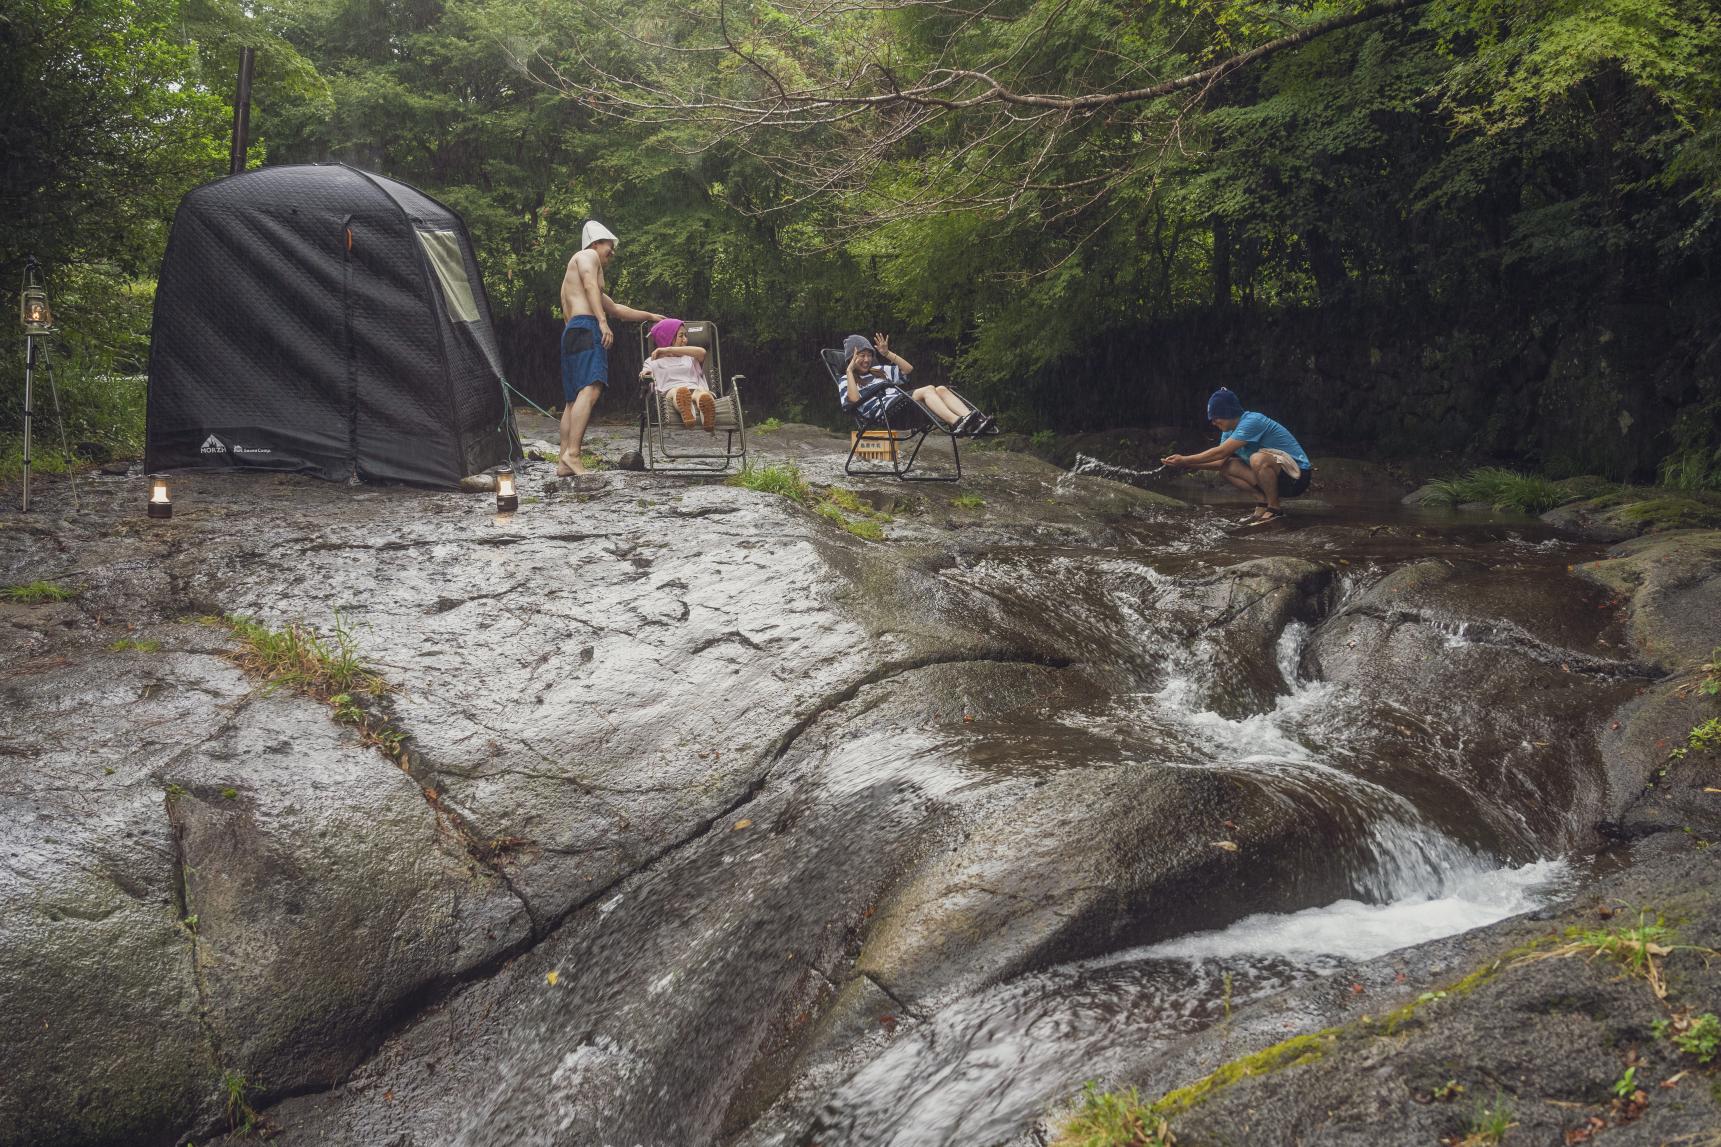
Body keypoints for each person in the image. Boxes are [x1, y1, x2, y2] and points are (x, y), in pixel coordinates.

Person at [557, 221, 665, 476]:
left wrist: (650, 316)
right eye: (609, 246)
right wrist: (602, 322)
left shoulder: (573, 280)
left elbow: (616, 308)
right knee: (591, 389)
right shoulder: (587, 256)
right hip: (587, 328)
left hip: (572, 332)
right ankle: (573, 454)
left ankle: (563, 461)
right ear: (596, 243)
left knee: (572, 400)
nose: (612, 252)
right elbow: (591, 285)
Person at [1161, 387, 1312, 521]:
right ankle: (1263, 501)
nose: (1213, 422)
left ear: (1228, 412)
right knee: (1227, 467)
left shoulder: (1252, 421)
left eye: (1215, 417)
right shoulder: (1228, 432)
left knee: (1257, 459)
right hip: (1274, 479)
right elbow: (1220, 461)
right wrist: (1185, 464)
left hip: (1297, 477)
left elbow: (1221, 452)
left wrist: (1185, 459)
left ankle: (1274, 508)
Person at [838, 333, 993, 435]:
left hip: (903, 406)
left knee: (941, 389)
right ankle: (956, 422)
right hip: (887, 415)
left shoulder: (878, 370)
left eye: (869, 355)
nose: (866, 360)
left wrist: (887, 353)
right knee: (928, 390)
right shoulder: (846, 379)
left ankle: (973, 421)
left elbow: (907, 369)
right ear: (851, 358)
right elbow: (854, 400)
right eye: (861, 355)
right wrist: (850, 371)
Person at [640, 317, 715, 431]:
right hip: (669, 392)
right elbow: (645, 374)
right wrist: (647, 373)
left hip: (694, 388)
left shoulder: (690, 357)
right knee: (678, 392)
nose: (685, 340)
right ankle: (687, 412)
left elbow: (702, 352)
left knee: (701, 393)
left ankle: (706, 412)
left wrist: (668, 350)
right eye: (681, 336)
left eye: (686, 335)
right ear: (667, 338)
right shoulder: (652, 361)